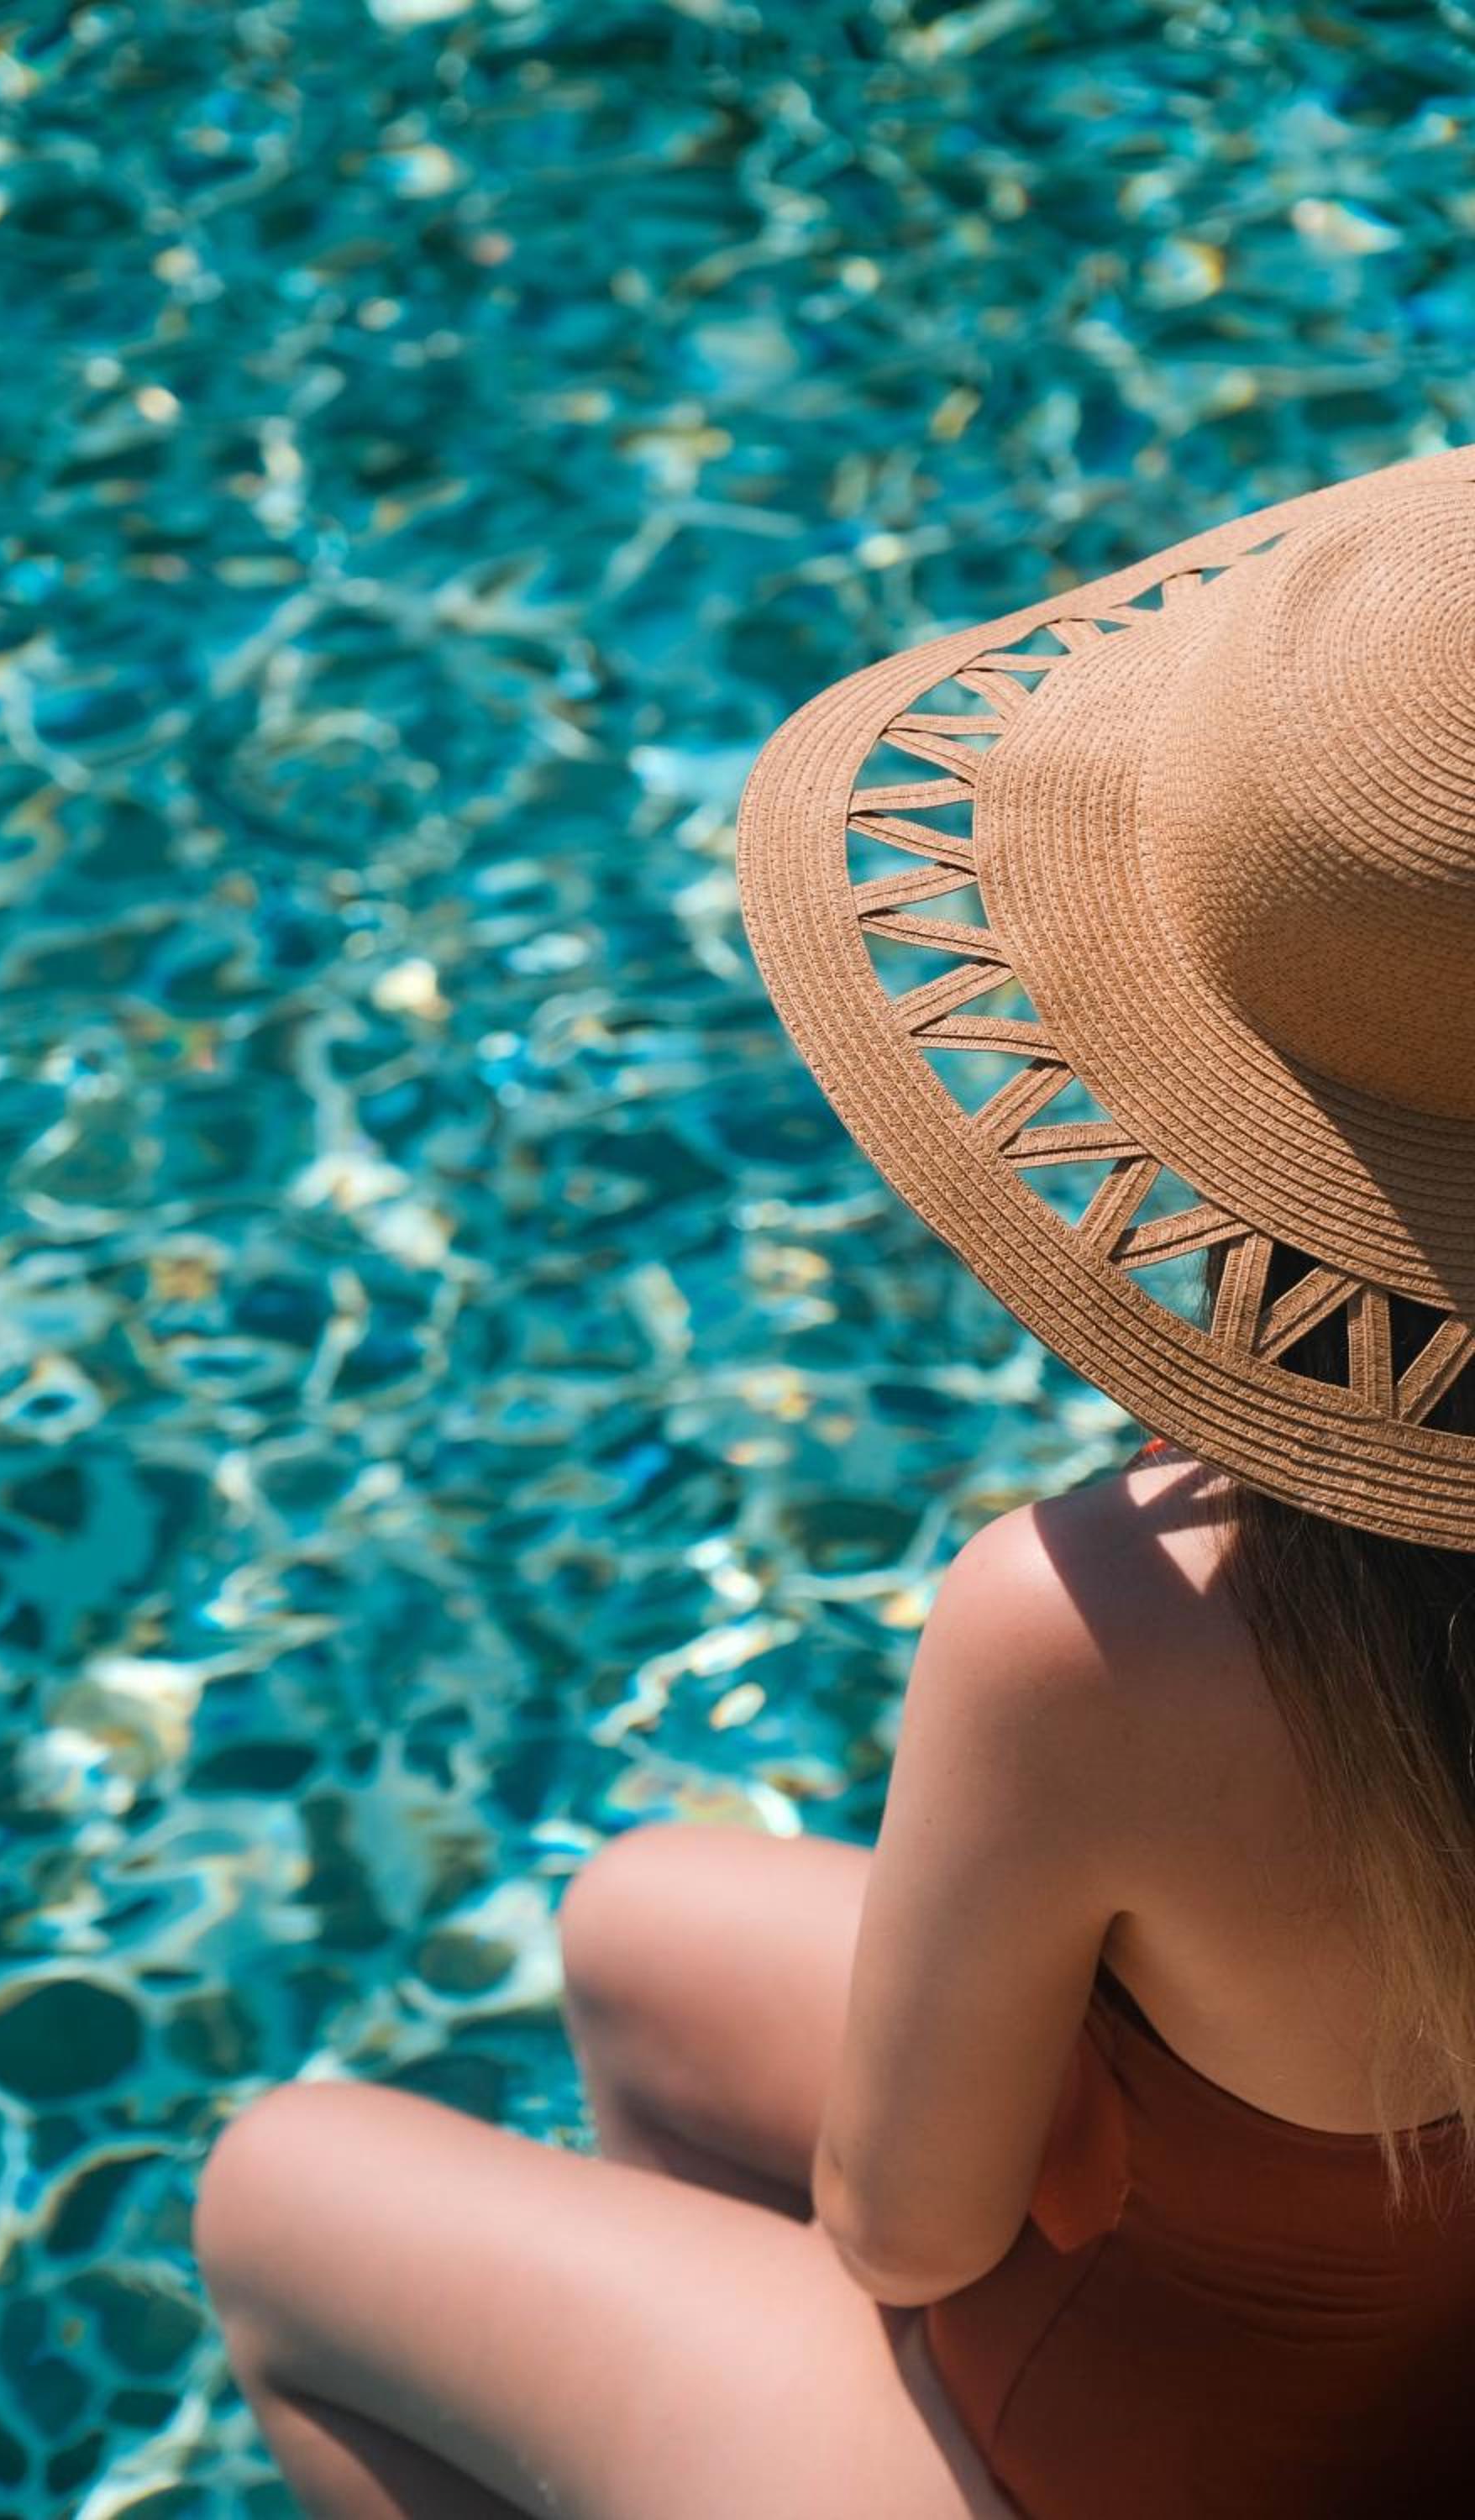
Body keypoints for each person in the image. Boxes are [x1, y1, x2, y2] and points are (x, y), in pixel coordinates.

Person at [191, 440, 1475, 2518]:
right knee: (639, 1926)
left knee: (281, 2188)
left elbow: (907, 2234)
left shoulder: (1119, 1637)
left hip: (1136, 2463)